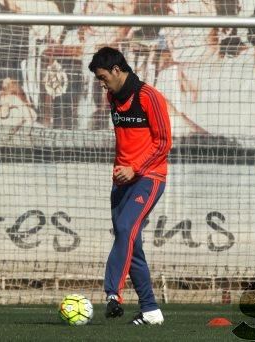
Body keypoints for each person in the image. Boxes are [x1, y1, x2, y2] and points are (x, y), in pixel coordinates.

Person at [88, 47, 171, 325]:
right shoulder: (112, 96)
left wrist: (136, 168)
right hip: (121, 181)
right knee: (130, 243)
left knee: (125, 229)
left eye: (102, 77)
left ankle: (113, 294)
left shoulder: (149, 97)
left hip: (148, 179)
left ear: (116, 70)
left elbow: (163, 143)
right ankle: (150, 310)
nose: (101, 84)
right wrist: (124, 170)